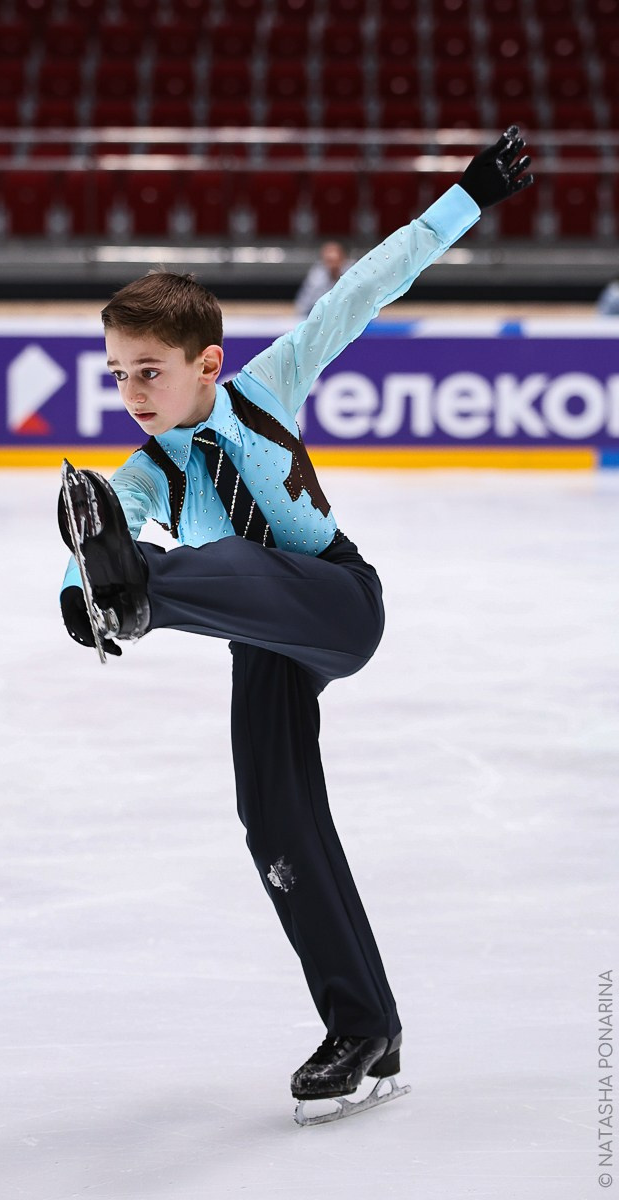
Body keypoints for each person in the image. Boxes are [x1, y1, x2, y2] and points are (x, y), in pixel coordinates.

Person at [58, 128, 533, 1112]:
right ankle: (365, 1026)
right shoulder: (143, 475)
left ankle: (135, 596)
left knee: (215, 558)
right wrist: (78, 593)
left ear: (205, 364)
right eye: (116, 374)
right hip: (258, 638)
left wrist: (465, 196)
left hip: (333, 600)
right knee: (272, 821)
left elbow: (368, 281)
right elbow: (107, 515)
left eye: (147, 371)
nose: (130, 392)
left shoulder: (267, 385)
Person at [294, 240, 351, 319]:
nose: (332, 265)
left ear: (343, 258)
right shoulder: (316, 275)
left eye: (334, 261)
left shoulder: (352, 273)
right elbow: (305, 302)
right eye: (329, 261)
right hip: (320, 314)